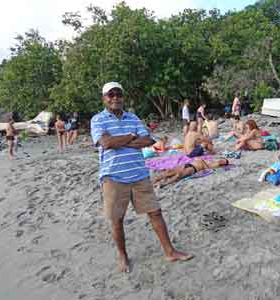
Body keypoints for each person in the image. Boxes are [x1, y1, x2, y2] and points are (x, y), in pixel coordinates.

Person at [91, 82, 193, 273]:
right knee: (117, 219)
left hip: (139, 174)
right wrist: (131, 136)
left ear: (123, 97)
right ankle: (123, 257)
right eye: (110, 94)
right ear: (104, 98)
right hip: (113, 177)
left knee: (155, 212)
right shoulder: (98, 120)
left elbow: (148, 141)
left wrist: (120, 140)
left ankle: (170, 251)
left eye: (118, 94)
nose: (115, 98)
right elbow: (106, 143)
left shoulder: (133, 117)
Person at [153, 158, 230, 188]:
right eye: (223, 159)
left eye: (224, 162)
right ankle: (154, 181)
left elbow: (207, 168)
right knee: (169, 172)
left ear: (223, 164)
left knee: (178, 175)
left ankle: (163, 184)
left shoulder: (216, 166)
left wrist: (202, 161)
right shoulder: (214, 160)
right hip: (189, 164)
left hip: (193, 168)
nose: (222, 160)